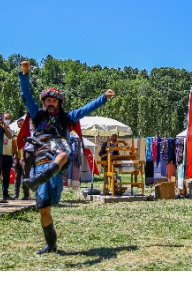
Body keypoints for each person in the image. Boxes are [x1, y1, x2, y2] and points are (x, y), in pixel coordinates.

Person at [19, 60, 115, 254]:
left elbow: (87, 109)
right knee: (43, 208)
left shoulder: (67, 117)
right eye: (48, 100)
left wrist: (103, 98)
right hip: (41, 157)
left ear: (59, 103)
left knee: (63, 152)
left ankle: (39, 179)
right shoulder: (36, 114)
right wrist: (25, 73)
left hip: (60, 153)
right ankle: (51, 244)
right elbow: (26, 95)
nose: (51, 103)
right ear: (44, 102)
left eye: (54, 101)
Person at [0, 112, 17, 201]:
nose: (7, 120)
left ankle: (5, 193)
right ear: (2, 118)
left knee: (6, 176)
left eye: (9, 118)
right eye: (6, 118)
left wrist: (14, 154)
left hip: (8, 156)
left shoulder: (11, 130)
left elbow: (13, 140)